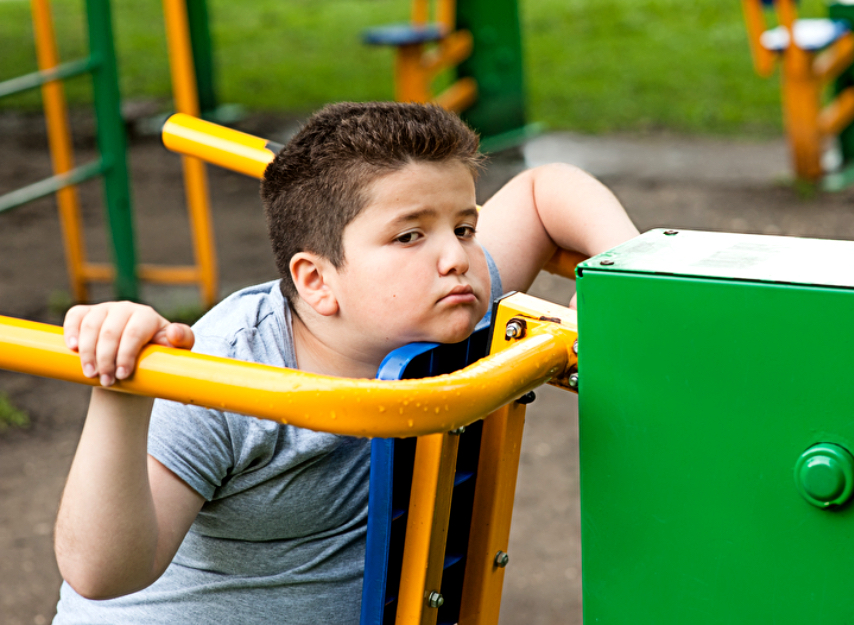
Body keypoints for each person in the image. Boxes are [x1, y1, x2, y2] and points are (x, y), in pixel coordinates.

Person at [52, 102, 639, 623]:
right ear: (316, 281)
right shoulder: (222, 373)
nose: (455, 257)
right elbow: (101, 575)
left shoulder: (440, 299)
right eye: (409, 236)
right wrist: (122, 390)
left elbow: (545, 190)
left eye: (464, 226)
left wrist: (627, 273)